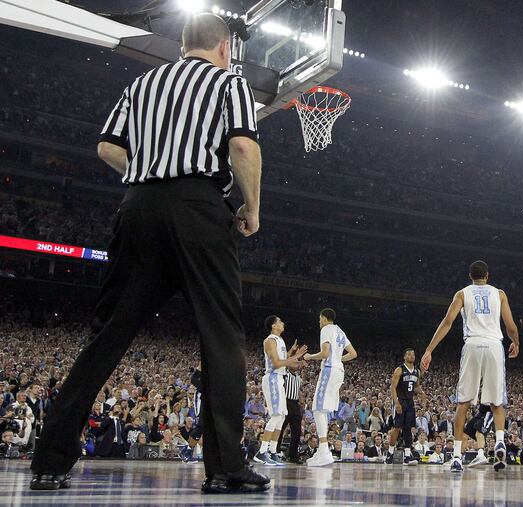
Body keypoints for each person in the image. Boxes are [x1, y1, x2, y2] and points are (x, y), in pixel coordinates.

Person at [29, 13, 269, 494]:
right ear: (224, 47)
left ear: (183, 44)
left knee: (107, 335)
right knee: (220, 336)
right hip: (200, 208)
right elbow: (243, 147)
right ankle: (225, 468)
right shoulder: (228, 82)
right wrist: (252, 208)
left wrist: (149, 168)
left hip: (138, 208)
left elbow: (105, 147)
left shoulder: (143, 83)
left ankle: (50, 458)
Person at [421, 260, 520, 472]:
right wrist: (516, 342)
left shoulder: (462, 294)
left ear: (470, 276)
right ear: (488, 275)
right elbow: (510, 325)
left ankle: (457, 456)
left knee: (463, 402)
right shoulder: (500, 294)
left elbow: (447, 322)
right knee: (496, 400)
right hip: (494, 345)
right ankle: (500, 440)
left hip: (473, 344)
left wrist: (429, 349)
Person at [303, 308, 358, 467]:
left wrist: (310, 356)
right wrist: (338, 359)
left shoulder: (326, 329)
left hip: (329, 370)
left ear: (325, 318)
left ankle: (324, 450)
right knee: (324, 409)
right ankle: (322, 450)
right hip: (339, 370)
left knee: (318, 409)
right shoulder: (340, 331)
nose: (319, 321)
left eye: (320, 318)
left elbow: (325, 353)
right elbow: (353, 353)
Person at [255, 316, 305, 466]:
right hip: (272, 378)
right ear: (273, 325)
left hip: (279, 379)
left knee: (282, 416)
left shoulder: (280, 340)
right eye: (280, 321)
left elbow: (283, 360)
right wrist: (296, 356)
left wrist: (291, 353)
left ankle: (272, 451)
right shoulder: (270, 340)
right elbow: (276, 363)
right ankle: (262, 452)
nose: (283, 323)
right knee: (276, 415)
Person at [387, 348, 425, 465]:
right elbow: (392, 387)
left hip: (410, 401)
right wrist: (396, 402)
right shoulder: (399, 369)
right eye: (409, 354)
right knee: (397, 428)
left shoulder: (417, 371)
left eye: (413, 354)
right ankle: (390, 453)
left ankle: (407, 456)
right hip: (400, 400)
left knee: (408, 429)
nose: (411, 356)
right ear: (404, 357)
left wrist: (422, 393)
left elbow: (416, 386)